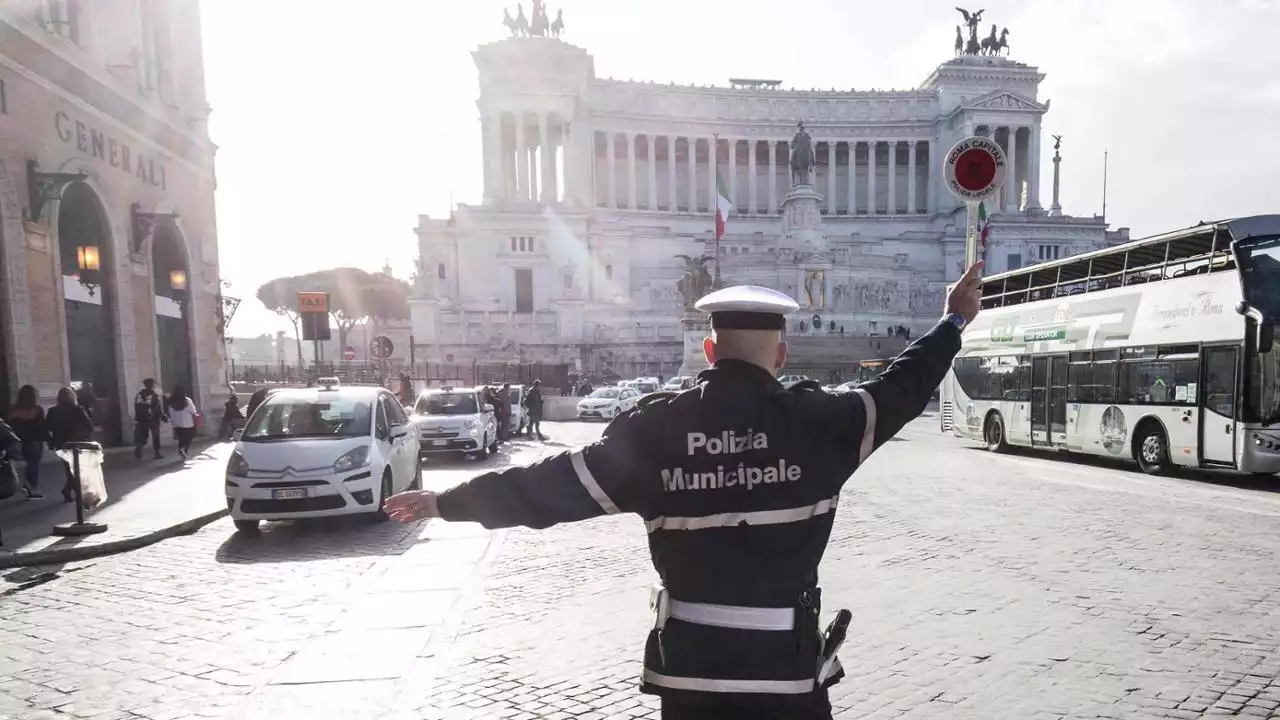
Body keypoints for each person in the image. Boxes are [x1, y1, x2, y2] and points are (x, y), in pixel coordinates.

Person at [384, 262, 985, 719]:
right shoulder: (824, 424)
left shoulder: (655, 430)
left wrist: (446, 502)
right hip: (785, 675)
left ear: (707, 349)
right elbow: (903, 386)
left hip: (689, 675)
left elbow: (547, 489)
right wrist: (953, 320)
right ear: (781, 354)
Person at [46, 386, 95, 503]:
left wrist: (52, 441)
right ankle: (73, 491)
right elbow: (90, 427)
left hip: (61, 443)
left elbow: (48, 427)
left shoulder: (53, 411)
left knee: (70, 468)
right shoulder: (78, 409)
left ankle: (69, 490)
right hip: (77, 442)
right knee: (78, 468)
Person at [8, 385, 49, 499]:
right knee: (34, 465)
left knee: (30, 464)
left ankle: (27, 484)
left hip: (20, 440)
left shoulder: (14, 410)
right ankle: (33, 489)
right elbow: (42, 426)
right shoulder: (37, 409)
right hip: (34, 440)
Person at [133, 378, 167, 460]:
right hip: (152, 420)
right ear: (152, 385)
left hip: (141, 419)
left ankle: (139, 447)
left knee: (143, 436)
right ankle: (157, 453)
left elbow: (136, 406)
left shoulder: (139, 395)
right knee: (155, 436)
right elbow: (157, 408)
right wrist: (162, 416)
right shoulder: (154, 395)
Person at [166, 385, 198, 460]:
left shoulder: (171, 401)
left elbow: (170, 412)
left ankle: (182, 450)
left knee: (181, 438)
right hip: (188, 423)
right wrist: (196, 421)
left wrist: (172, 422)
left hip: (176, 424)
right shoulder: (187, 400)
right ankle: (184, 450)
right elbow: (193, 411)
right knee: (188, 438)